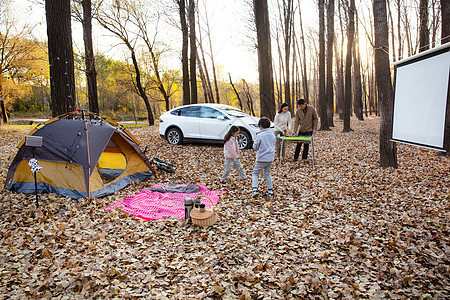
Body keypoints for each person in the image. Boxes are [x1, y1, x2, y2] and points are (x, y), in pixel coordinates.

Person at [251, 117, 276, 198]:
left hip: (261, 158)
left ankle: (254, 190)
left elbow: (255, 147)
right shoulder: (272, 134)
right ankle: (270, 191)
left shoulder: (260, 135)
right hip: (270, 158)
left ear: (260, 126)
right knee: (267, 174)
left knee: (255, 174)